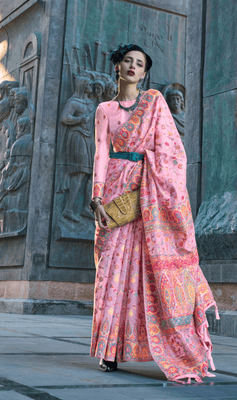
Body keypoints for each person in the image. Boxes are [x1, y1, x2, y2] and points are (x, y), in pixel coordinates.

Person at [89, 44, 219, 384]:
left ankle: (166, 347)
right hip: (116, 191)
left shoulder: (155, 103)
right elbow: (101, 153)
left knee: (146, 268)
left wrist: (152, 175)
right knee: (111, 270)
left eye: (140, 64)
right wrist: (97, 197)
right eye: (128, 61)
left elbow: (173, 153)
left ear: (145, 72)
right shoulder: (104, 109)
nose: (133, 67)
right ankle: (108, 349)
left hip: (151, 193)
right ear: (118, 66)